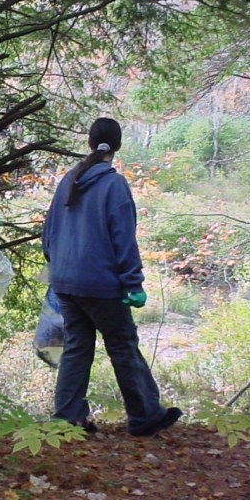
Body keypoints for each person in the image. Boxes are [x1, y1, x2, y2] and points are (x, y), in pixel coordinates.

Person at [42, 117, 182, 436]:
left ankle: (67, 418)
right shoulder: (113, 184)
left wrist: (61, 267)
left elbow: (47, 236)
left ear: (91, 142)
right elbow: (123, 239)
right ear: (116, 146)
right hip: (100, 285)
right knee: (122, 345)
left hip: (65, 282)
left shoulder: (69, 180)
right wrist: (133, 283)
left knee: (77, 347)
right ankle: (145, 416)